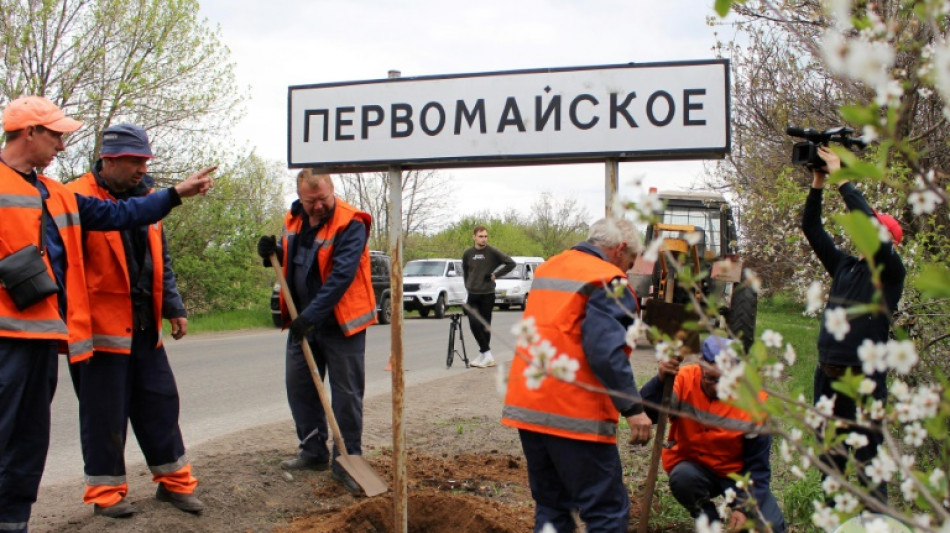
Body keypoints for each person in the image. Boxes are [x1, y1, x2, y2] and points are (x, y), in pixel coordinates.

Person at [0, 96, 214, 533]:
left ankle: (12, 522)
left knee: (28, 441)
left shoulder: (55, 193)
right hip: (18, 338)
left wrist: (174, 194)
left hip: (42, 335)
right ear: (29, 132)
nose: (62, 145)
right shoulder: (53, 188)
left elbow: (123, 215)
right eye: (56, 135)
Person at [64, 124, 204, 518]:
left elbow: (162, 257)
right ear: (108, 160)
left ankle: (175, 484)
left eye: (145, 160)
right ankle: (106, 496)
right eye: (134, 161)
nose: (142, 168)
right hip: (98, 332)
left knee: (160, 403)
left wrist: (173, 307)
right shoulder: (77, 197)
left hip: (144, 326)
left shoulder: (148, 197)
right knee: (103, 414)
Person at [501, 218, 652, 533]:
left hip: (528, 407)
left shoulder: (549, 268)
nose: (627, 270)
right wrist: (633, 408)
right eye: (630, 261)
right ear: (620, 248)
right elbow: (604, 351)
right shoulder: (608, 280)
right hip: (575, 414)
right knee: (606, 512)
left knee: (552, 508)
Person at [256, 169, 376, 494]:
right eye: (311, 202)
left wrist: (310, 316)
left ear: (331, 190)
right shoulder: (294, 219)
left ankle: (347, 460)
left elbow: (341, 276)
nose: (318, 206)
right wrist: (272, 254)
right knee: (300, 388)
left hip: (340, 324)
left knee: (346, 396)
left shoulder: (351, 223)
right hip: (303, 321)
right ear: (300, 197)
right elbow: (295, 259)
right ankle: (312, 451)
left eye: (323, 199)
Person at [801, 146, 905, 504]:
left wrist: (842, 178)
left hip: (862, 378)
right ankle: (832, 516)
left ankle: (878, 518)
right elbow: (811, 228)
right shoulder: (845, 266)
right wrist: (818, 183)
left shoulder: (890, 272)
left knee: (867, 456)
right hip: (827, 374)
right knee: (829, 450)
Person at [639, 335, 786, 532]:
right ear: (700, 366)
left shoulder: (754, 404)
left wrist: (743, 508)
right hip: (695, 469)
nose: (717, 387)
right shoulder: (683, 379)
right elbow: (648, 412)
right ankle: (708, 521)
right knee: (683, 478)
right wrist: (660, 380)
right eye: (710, 378)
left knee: (771, 527)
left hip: (737, 476)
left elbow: (758, 468)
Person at [462, 224, 515, 368]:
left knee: (485, 325)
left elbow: (511, 263)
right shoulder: (468, 253)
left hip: (487, 294)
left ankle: (484, 355)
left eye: (485, 236)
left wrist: (495, 275)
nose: (483, 239)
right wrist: (467, 286)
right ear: (474, 237)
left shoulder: (492, 252)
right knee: (473, 323)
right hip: (473, 294)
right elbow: (465, 271)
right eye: (480, 236)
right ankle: (486, 354)